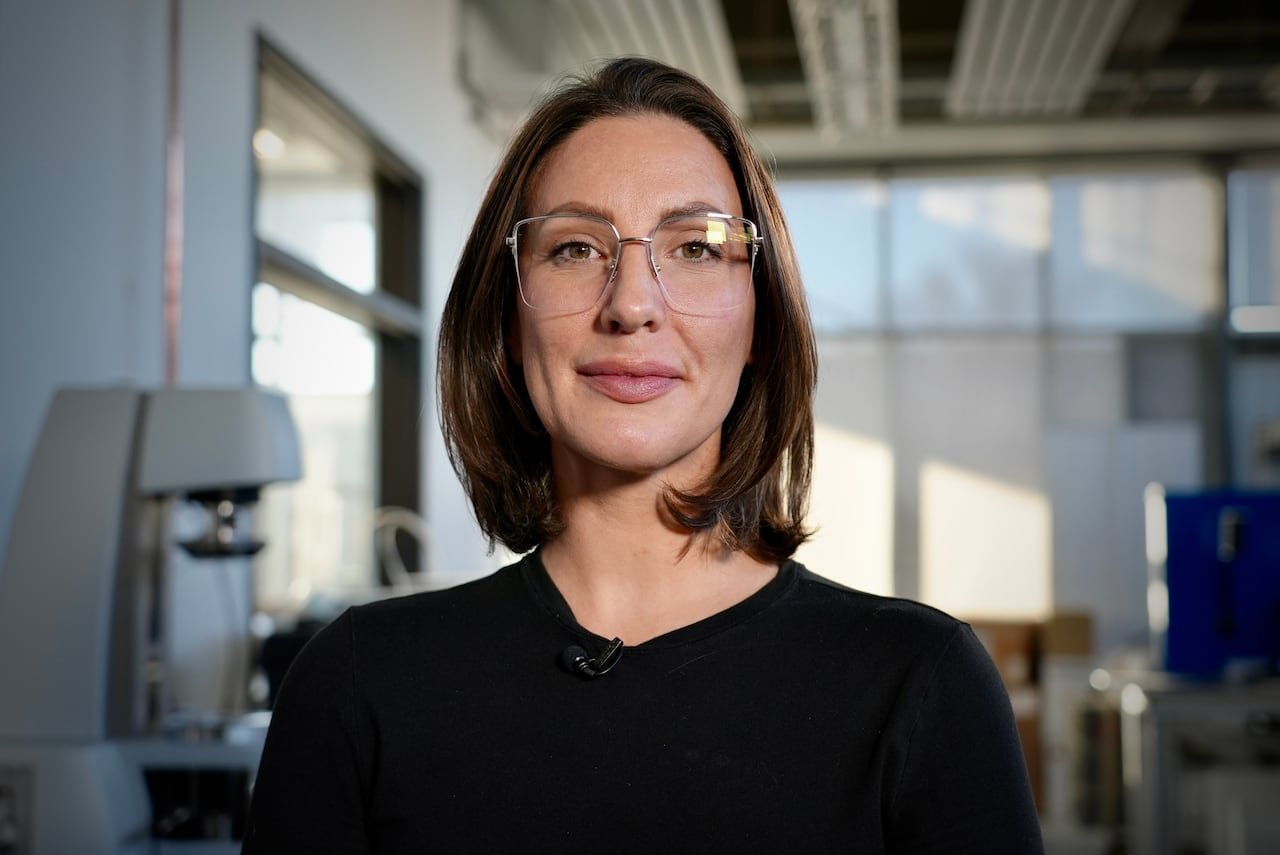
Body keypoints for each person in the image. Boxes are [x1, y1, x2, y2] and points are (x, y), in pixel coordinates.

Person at [243, 57, 1043, 853]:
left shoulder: (920, 685)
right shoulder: (359, 684)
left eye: (696, 247)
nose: (630, 304)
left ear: (760, 320)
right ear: (506, 322)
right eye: (574, 249)